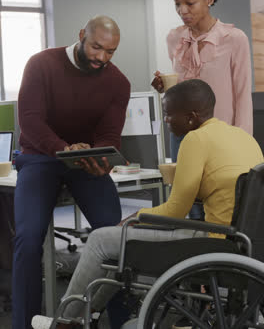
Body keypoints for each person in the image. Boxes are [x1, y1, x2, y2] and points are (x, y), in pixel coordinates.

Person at [43, 79, 262, 329]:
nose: (166, 120)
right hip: (243, 241)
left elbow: (175, 210)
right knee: (121, 245)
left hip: (214, 240)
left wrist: (138, 215)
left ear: (191, 117)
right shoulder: (243, 136)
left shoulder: (196, 140)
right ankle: (85, 317)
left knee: (101, 239)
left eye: (169, 114)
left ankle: (65, 321)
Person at [12, 15, 131, 329]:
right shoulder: (41, 64)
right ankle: (24, 323)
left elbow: (109, 135)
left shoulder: (118, 83)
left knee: (118, 238)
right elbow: (30, 120)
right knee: (28, 237)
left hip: (84, 161)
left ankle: (125, 322)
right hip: (40, 156)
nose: (101, 58)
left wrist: (102, 157)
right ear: (81, 35)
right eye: (96, 47)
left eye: (110, 52)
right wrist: (62, 148)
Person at [152, 0, 253, 219]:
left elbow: (242, 93)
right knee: (186, 200)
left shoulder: (234, 39)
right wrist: (165, 88)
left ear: (209, 0)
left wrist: (242, 139)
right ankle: (196, 250)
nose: (182, 11)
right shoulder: (174, 38)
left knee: (221, 201)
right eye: (177, 4)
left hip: (220, 134)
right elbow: (185, 91)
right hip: (183, 131)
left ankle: (219, 252)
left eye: (190, 3)